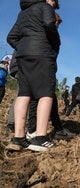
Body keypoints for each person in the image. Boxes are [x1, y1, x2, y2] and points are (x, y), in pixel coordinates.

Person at [6, 0, 61, 151]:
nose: (53, 5)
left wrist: (24, 46)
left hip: (22, 57)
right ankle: (40, 138)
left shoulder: (23, 13)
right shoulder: (45, 7)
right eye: (54, 3)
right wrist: (55, 43)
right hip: (42, 54)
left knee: (24, 94)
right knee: (46, 93)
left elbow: (11, 37)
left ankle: (18, 138)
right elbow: (50, 24)